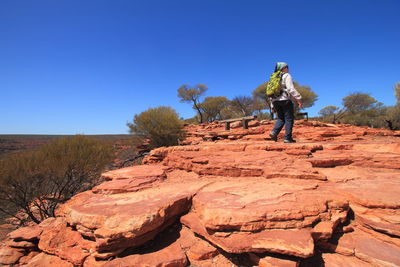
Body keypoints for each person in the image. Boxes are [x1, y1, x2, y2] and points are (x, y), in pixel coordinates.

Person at [269, 62, 303, 143]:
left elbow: (270, 92)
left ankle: (274, 132)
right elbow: (291, 89)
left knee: (281, 118)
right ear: (283, 68)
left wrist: (272, 106)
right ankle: (287, 138)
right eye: (287, 67)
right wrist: (299, 99)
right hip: (285, 100)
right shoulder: (286, 75)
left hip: (275, 101)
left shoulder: (273, 78)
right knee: (289, 119)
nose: (288, 68)